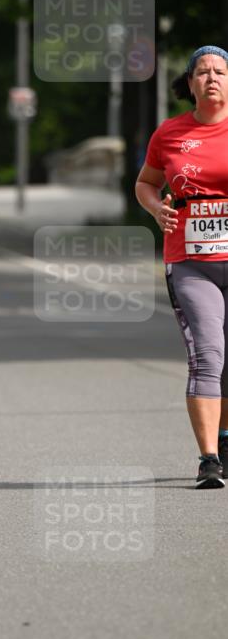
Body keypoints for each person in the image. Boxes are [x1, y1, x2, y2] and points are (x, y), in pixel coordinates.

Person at [135, 44, 228, 489]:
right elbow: (146, 184)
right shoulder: (169, 133)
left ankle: (224, 438)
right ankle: (209, 458)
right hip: (191, 260)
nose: (212, 78)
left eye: (220, 71)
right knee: (208, 354)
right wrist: (156, 210)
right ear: (189, 83)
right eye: (203, 72)